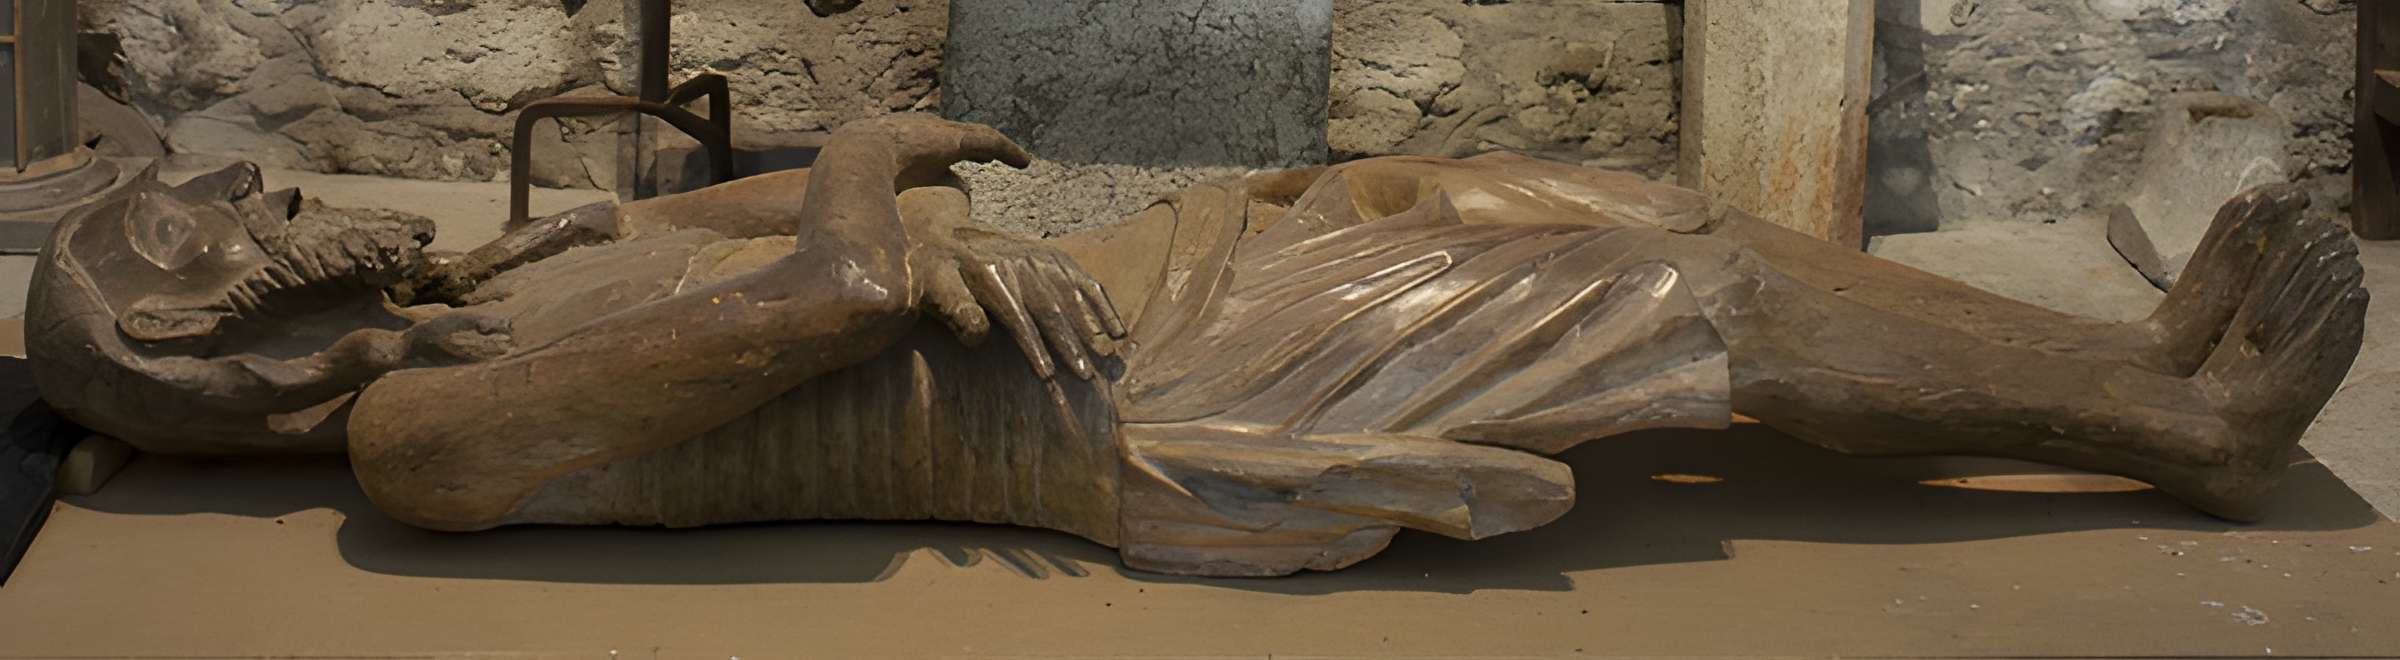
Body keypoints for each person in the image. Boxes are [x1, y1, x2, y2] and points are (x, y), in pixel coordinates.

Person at [27, 115, 2367, 576]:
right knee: (1699, 294)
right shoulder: (426, 441)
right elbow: (841, 286)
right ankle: (2175, 426)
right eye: (213, 216)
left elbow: (744, 230)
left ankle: (2108, 357)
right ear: (207, 334)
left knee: (1617, 198)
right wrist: (855, 167)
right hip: (1131, 413)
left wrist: (804, 189)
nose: (263, 190)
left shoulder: (485, 290)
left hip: (1153, 272)